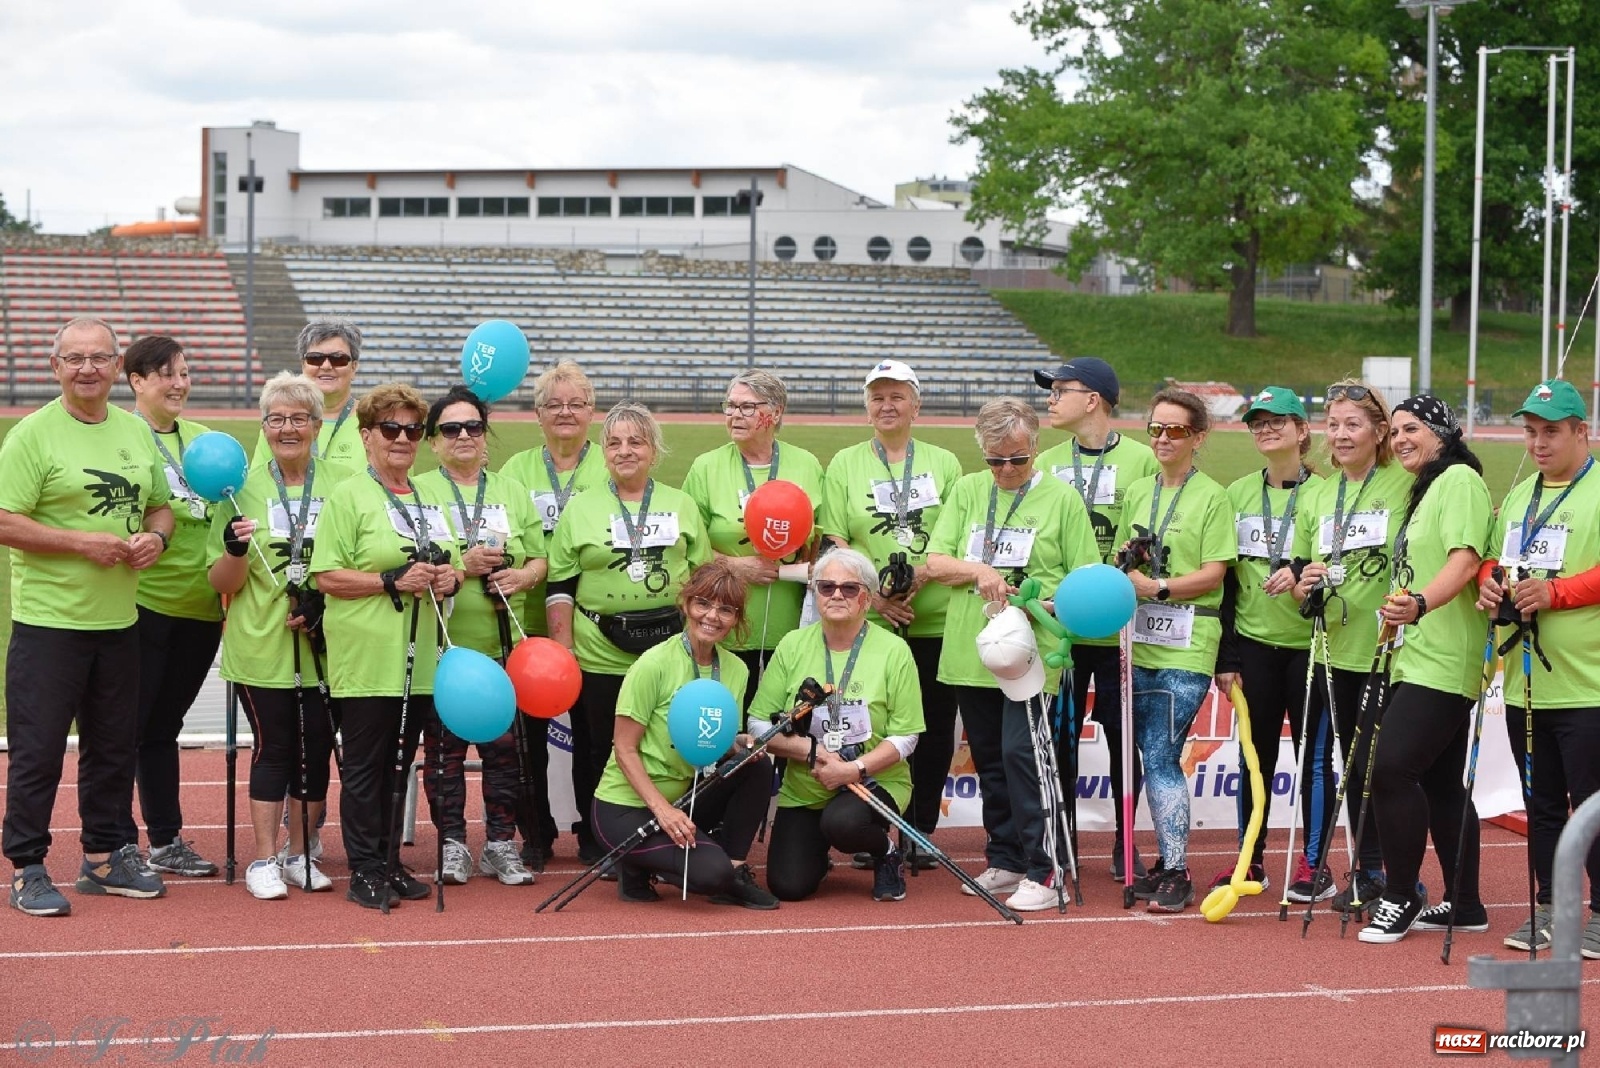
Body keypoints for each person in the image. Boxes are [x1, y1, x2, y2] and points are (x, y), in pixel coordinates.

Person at [1, 317, 174, 916]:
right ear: (56, 367)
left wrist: (156, 538)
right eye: (74, 358)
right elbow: (4, 519)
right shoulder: (33, 435)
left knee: (112, 747)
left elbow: (159, 507)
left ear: (115, 365)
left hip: (119, 621)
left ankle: (104, 855)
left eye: (99, 358)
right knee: (39, 750)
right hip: (50, 624)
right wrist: (83, 543)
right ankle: (26, 865)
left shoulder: (133, 430)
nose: (87, 369)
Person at [924, 398, 1099, 912]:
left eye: (1017, 460)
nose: (1005, 471)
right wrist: (979, 571)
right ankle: (1006, 857)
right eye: (995, 460)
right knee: (992, 760)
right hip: (970, 649)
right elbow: (935, 561)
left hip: (1032, 652)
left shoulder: (1063, 500)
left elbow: (1084, 575)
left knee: (1026, 756)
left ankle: (1046, 870)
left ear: (1035, 449)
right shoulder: (966, 491)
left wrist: (1047, 598)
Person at [312, 383, 463, 909]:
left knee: (400, 764)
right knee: (364, 766)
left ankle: (390, 861)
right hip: (366, 656)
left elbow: (454, 564)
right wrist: (388, 581)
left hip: (420, 659)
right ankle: (365, 868)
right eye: (390, 429)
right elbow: (326, 575)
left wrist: (449, 578)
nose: (402, 439)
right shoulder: (349, 495)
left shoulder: (427, 494)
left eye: (412, 430)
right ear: (367, 435)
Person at [209, 372, 355, 899]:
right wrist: (233, 550)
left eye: (299, 418)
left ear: (318, 425)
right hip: (260, 643)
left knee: (316, 747)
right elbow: (220, 583)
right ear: (263, 426)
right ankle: (263, 859)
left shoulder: (343, 483)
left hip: (328, 641)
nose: (287, 428)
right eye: (276, 419)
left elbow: (357, 558)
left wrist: (321, 602)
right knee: (275, 748)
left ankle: (301, 852)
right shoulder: (239, 488)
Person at [546, 401, 710, 866]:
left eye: (636, 441)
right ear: (602, 452)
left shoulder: (681, 504)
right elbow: (561, 584)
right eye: (614, 442)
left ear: (654, 450)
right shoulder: (581, 509)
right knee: (597, 749)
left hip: (669, 654)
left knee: (668, 746)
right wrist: (564, 650)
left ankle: (668, 831)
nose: (625, 451)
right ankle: (596, 839)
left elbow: (701, 581)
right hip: (598, 653)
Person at [1357, 396, 1490, 944]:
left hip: (1444, 656)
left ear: (1442, 432)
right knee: (1439, 781)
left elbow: (1464, 560)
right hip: (1417, 653)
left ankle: (1401, 893)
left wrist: (1420, 605)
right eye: (1395, 432)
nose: (1399, 439)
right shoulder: (1430, 487)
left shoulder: (1458, 480)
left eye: (1412, 429)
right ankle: (1466, 904)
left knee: (1390, 768)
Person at [821, 359, 962, 869]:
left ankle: (921, 828)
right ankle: (879, 825)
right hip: (871, 619)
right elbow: (835, 537)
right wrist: (874, 597)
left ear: (916, 405)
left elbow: (956, 533)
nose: (886, 405)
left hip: (938, 619)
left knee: (934, 727)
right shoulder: (844, 463)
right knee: (876, 726)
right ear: (867, 406)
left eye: (897, 395)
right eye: (877, 396)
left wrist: (919, 577)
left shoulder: (944, 462)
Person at [1478, 380, 1600, 956]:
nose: (1539, 443)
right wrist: (1490, 587)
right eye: (1530, 432)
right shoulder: (1525, 490)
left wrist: (1556, 594)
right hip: (1527, 683)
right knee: (1542, 805)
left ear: (1582, 431)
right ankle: (1550, 907)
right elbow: (1497, 564)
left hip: (1589, 682)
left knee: (1592, 803)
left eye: (1552, 431)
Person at [592, 560, 779, 909]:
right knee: (710, 874)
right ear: (686, 604)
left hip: (688, 798)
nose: (712, 616)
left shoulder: (736, 670)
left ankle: (734, 873)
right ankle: (633, 863)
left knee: (756, 766)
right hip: (626, 807)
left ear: (736, 619)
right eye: (703, 604)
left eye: (726, 609)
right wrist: (662, 811)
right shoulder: (652, 664)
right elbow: (625, 749)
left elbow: (713, 740)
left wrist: (738, 744)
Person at [1289, 380, 1412, 911]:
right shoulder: (1316, 492)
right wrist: (1303, 582)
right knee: (1351, 765)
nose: (1340, 435)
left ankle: (1393, 876)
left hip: (1387, 649)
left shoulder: (1403, 484)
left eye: (1352, 424)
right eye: (1333, 424)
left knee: (1380, 766)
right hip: (1330, 650)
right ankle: (1367, 871)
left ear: (1379, 431)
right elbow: (1295, 577)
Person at [1034, 356, 1158, 879]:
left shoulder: (1143, 461)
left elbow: (1152, 534)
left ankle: (1123, 843)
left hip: (1117, 631)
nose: (1050, 398)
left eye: (1061, 390)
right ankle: (1061, 842)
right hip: (1061, 627)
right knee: (1058, 738)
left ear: (1093, 400)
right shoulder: (1043, 462)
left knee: (1122, 739)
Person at [415, 387, 545, 887]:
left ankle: (498, 845)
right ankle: (451, 844)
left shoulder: (511, 490)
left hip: (500, 646)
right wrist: (460, 567)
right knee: (444, 755)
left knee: (503, 752)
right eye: (451, 428)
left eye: (473, 427)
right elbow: (416, 562)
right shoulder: (420, 490)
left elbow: (539, 557)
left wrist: (522, 577)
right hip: (443, 648)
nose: (464, 436)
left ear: (486, 436)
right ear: (433, 441)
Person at [1114, 388, 1236, 913]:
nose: (1163, 439)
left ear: (1198, 437)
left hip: (1187, 642)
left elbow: (1214, 573)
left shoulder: (1213, 496)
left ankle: (1178, 869)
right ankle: (1167, 859)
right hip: (1136, 642)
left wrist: (1158, 588)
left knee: (1161, 753)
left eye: (1176, 431)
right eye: (1156, 429)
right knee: (1147, 751)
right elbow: (1122, 561)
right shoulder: (1138, 491)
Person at [752, 549, 925, 903]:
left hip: (873, 779)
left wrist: (852, 769)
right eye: (826, 586)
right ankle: (816, 854)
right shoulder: (792, 644)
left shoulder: (894, 650)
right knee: (789, 887)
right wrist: (810, 752)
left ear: (867, 597)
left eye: (849, 588)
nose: (836, 595)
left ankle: (885, 852)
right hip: (807, 785)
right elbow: (757, 723)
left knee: (843, 824)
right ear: (815, 594)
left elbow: (906, 736)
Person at [117, 335, 223, 879]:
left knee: (165, 725)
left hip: (203, 609)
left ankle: (164, 841)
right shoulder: (122, 439)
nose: (179, 383)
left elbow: (228, 511)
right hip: (144, 606)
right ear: (136, 381)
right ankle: (115, 840)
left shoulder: (205, 440)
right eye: (166, 374)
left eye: (184, 372)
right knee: (129, 725)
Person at [1212, 387, 1325, 891]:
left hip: (1311, 649)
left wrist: (1299, 569)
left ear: (1302, 430)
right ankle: (1249, 858)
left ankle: (1315, 863)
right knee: (1252, 758)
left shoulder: (1327, 494)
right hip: (1253, 648)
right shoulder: (1234, 494)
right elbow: (1226, 582)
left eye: (1278, 420)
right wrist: (1227, 652)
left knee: (1314, 761)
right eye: (1257, 422)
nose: (1266, 429)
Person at [499, 360, 607, 869]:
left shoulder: (610, 464)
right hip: (527, 626)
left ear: (593, 413)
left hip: (590, 632)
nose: (565, 413)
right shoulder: (515, 472)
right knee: (530, 744)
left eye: (576, 404)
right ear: (537, 415)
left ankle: (593, 829)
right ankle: (535, 832)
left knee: (592, 740)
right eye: (553, 405)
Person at [682, 370, 825, 707]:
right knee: (732, 726)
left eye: (747, 407)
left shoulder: (806, 465)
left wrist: (790, 570)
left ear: (775, 413)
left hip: (791, 626)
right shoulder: (706, 467)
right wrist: (734, 565)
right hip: (723, 626)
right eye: (729, 406)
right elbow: (689, 546)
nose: (734, 415)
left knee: (785, 724)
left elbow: (820, 540)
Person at [251, 318, 365, 469]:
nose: (326, 366)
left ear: (354, 368)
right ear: (303, 365)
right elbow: (259, 482)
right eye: (315, 358)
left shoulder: (374, 422)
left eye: (338, 359)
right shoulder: (279, 424)